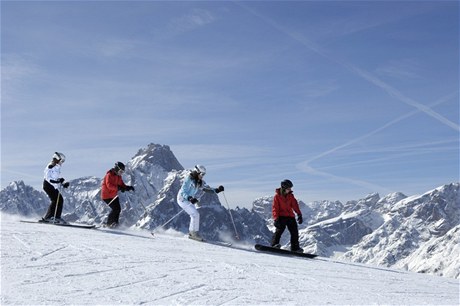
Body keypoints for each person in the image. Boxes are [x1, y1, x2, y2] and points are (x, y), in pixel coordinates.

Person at [177, 165, 224, 240]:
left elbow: (206, 189)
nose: (203, 176)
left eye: (204, 174)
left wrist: (217, 190)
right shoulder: (188, 179)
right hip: (182, 199)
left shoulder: (199, 182)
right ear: (196, 172)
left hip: (189, 199)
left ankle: (192, 233)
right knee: (194, 214)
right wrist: (189, 198)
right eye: (202, 174)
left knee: (196, 214)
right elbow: (183, 191)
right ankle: (193, 234)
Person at [271, 179, 304, 252]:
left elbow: (295, 205)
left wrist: (299, 214)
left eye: (290, 188)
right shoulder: (277, 196)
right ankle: (274, 245)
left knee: (294, 232)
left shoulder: (291, 196)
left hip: (290, 216)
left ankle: (295, 248)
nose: (290, 190)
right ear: (284, 188)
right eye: (288, 188)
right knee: (279, 230)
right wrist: (276, 219)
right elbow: (275, 208)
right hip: (281, 216)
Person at [101, 162, 135, 228]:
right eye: (121, 171)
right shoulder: (109, 175)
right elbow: (109, 185)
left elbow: (122, 185)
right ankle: (109, 224)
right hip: (106, 196)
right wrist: (118, 188)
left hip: (113, 195)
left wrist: (128, 187)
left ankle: (115, 224)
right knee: (115, 209)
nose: (121, 173)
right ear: (117, 169)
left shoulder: (118, 176)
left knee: (118, 209)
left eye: (122, 172)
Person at [42, 152, 70, 224]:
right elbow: (49, 179)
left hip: (52, 186)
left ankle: (56, 217)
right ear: (57, 159)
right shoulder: (51, 166)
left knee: (59, 199)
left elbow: (55, 178)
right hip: (48, 185)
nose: (62, 162)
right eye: (61, 160)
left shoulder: (56, 167)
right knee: (55, 200)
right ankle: (49, 217)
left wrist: (63, 183)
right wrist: (58, 182)